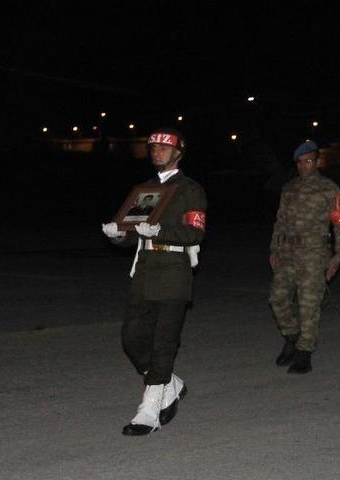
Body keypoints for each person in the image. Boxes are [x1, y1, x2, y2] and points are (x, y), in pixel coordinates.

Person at [101, 127, 207, 436]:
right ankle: (170, 383)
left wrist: (160, 231)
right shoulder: (145, 189)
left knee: (163, 343)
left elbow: (195, 233)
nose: (156, 152)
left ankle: (149, 411)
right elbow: (134, 229)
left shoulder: (190, 189)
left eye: (163, 147)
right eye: (153, 147)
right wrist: (119, 235)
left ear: (178, 153)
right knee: (132, 338)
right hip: (145, 269)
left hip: (174, 269)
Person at [268, 140, 340, 374]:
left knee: (308, 304)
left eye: (309, 161)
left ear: (317, 162)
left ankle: (305, 350)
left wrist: (338, 256)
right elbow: (280, 220)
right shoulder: (289, 188)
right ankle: (292, 338)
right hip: (287, 253)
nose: (304, 166)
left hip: (314, 254)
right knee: (277, 298)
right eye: (300, 162)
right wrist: (274, 249)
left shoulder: (329, 189)